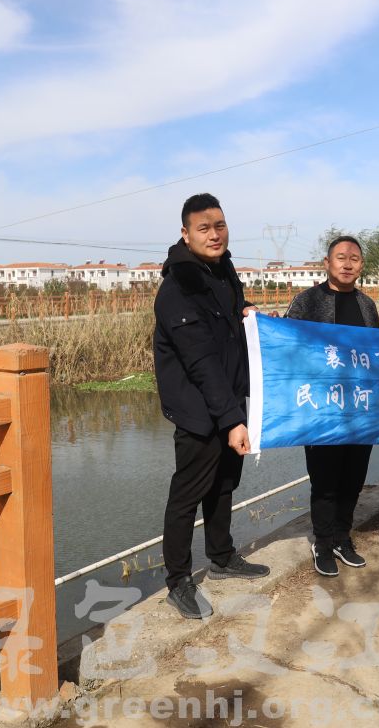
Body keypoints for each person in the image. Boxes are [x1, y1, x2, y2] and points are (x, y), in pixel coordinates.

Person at [153, 193, 269, 619]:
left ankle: (221, 557)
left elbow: (232, 309)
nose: (214, 234)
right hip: (198, 408)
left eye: (219, 225)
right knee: (188, 493)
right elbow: (200, 362)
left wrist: (246, 308)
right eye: (204, 228)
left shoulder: (223, 269)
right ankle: (178, 581)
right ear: (185, 234)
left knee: (224, 484)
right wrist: (232, 420)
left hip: (227, 400)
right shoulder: (178, 287)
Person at [285, 236, 379, 577]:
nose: (347, 263)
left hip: (360, 410)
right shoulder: (307, 301)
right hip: (323, 411)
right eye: (341, 257)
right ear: (327, 263)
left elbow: (377, 356)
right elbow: (287, 346)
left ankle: (343, 537)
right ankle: (323, 542)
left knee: (353, 477)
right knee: (325, 481)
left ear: (361, 266)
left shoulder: (367, 305)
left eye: (354, 258)